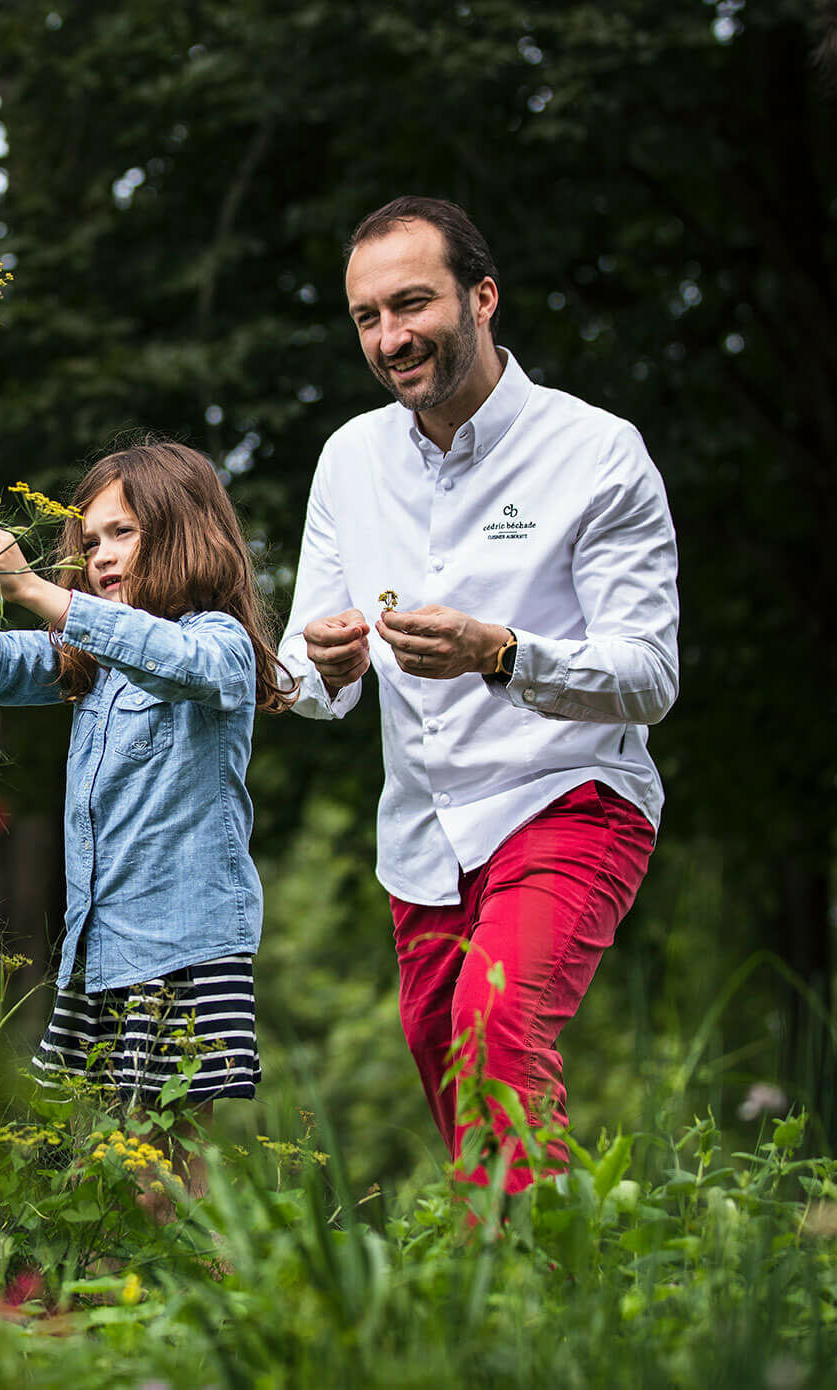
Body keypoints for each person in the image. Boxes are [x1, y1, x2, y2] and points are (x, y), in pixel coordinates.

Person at [278, 195, 680, 1193]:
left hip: (568, 795)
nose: (390, 337)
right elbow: (309, 672)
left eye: (412, 304)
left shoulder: (596, 453)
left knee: (496, 1027)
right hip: (421, 842)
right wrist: (324, 667)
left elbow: (649, 676)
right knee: (458, 1083)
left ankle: (538, 1305)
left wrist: (502, 652)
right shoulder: (348, 461)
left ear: (483, 296)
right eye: (368, 316)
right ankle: (513, 1311)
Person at [0, 440, 293, 1203]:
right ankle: (148, 1306)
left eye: (121, 532)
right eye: (88, 541)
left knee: (166, 1168)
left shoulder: (215, 642)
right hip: (107, 947)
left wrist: (28, 586)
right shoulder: (89, 659)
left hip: (184, 944)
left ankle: (196, 1306)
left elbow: (178, 662)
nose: (99, 555)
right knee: (119, 1163)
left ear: (184, 530)